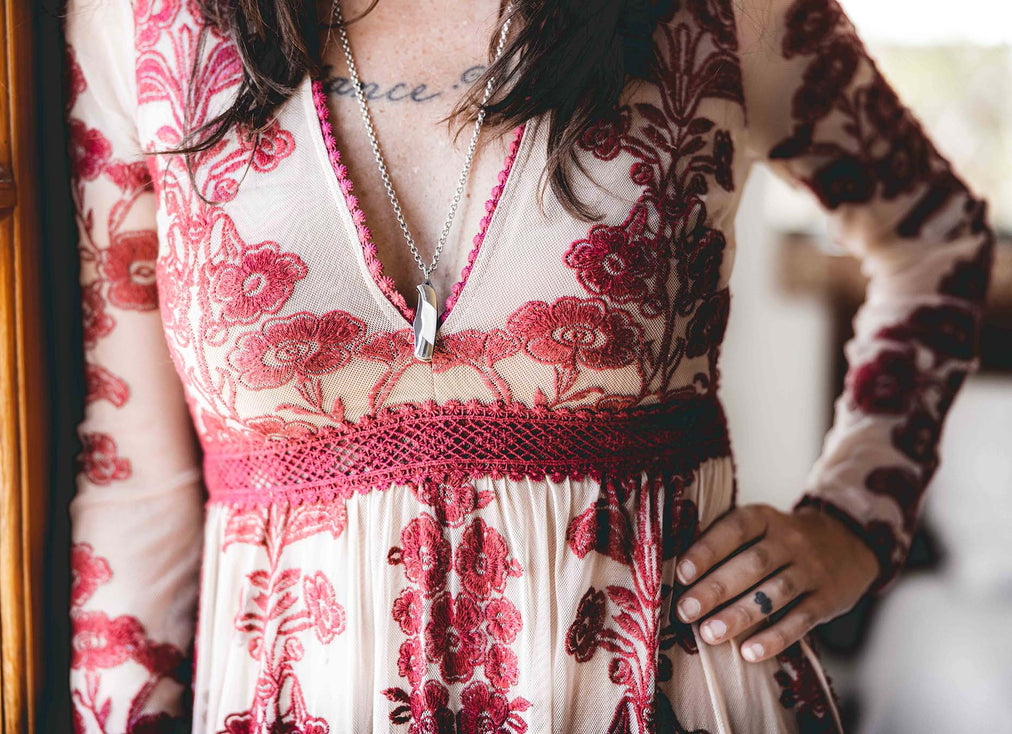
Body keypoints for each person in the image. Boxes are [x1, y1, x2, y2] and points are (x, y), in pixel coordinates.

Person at [64, 0, 995, 730]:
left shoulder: (718, 9)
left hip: (665, 700)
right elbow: (136, 481)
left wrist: (857, 522)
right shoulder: (139, 24)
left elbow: (939, 241)